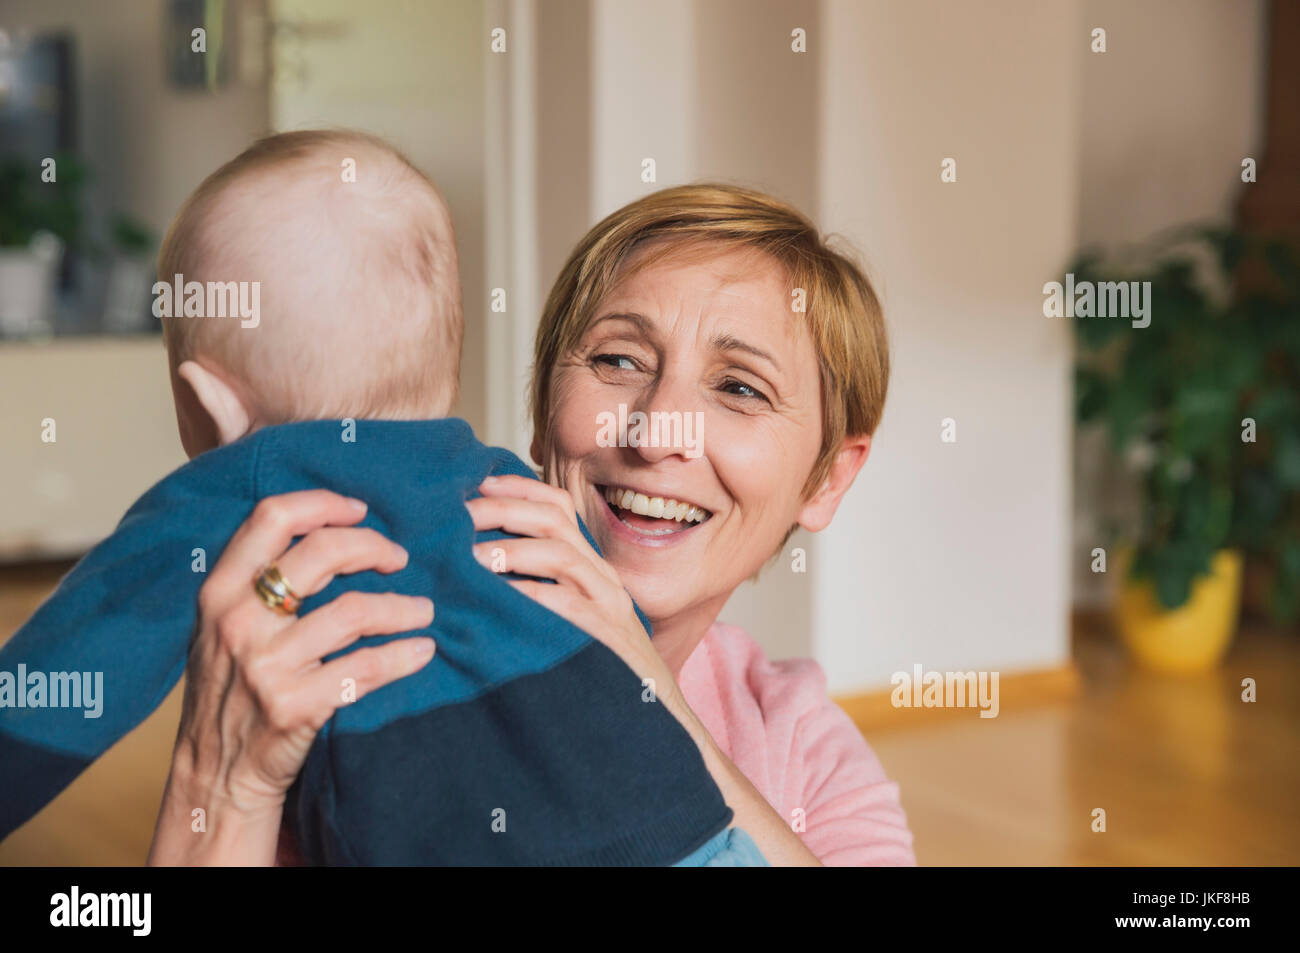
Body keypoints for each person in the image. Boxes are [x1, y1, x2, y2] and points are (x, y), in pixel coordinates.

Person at [0, 131, 766, 866]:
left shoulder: (243, 485)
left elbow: (63, 681)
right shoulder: (507, 483)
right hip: (693, 833)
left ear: (207, 404)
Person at [158, 182, 917, 866]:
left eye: (741, 388)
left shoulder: (802, 746)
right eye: (618, 361)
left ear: (828, 476)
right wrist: (223, 783)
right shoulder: (362, 649)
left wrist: (653, 702)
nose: (655, 434)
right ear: (542, 409)